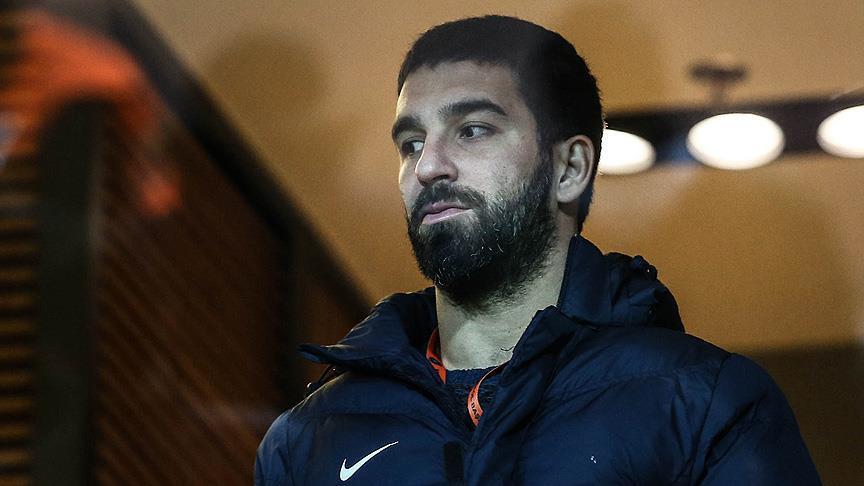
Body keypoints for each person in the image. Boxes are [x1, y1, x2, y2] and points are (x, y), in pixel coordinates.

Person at [255, 15, 820, 485]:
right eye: (411, 142)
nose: (427, 166)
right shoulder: (306, 442)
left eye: (472, 129)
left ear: (569, 168)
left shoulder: (703, 403)